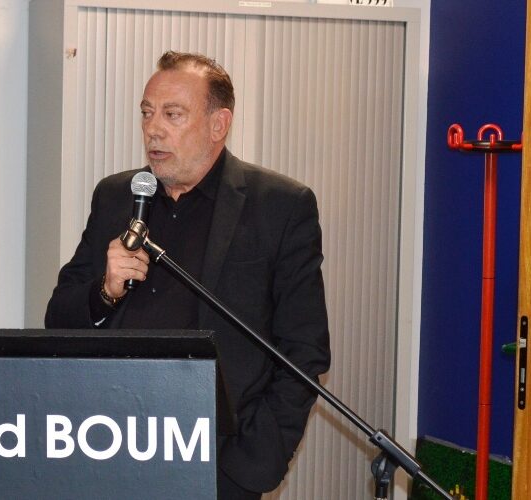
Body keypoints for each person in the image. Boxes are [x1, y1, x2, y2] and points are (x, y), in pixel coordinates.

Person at [45, 51, 331, 500]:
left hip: (219, 462)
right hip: (111, 448)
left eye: (172, 114)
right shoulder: (117, 196)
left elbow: (305, 347)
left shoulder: (279, 206)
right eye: (147, 113)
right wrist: (105, 291)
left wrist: (256, 457)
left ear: (219, 124)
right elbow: (58, 318)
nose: (153, 128)